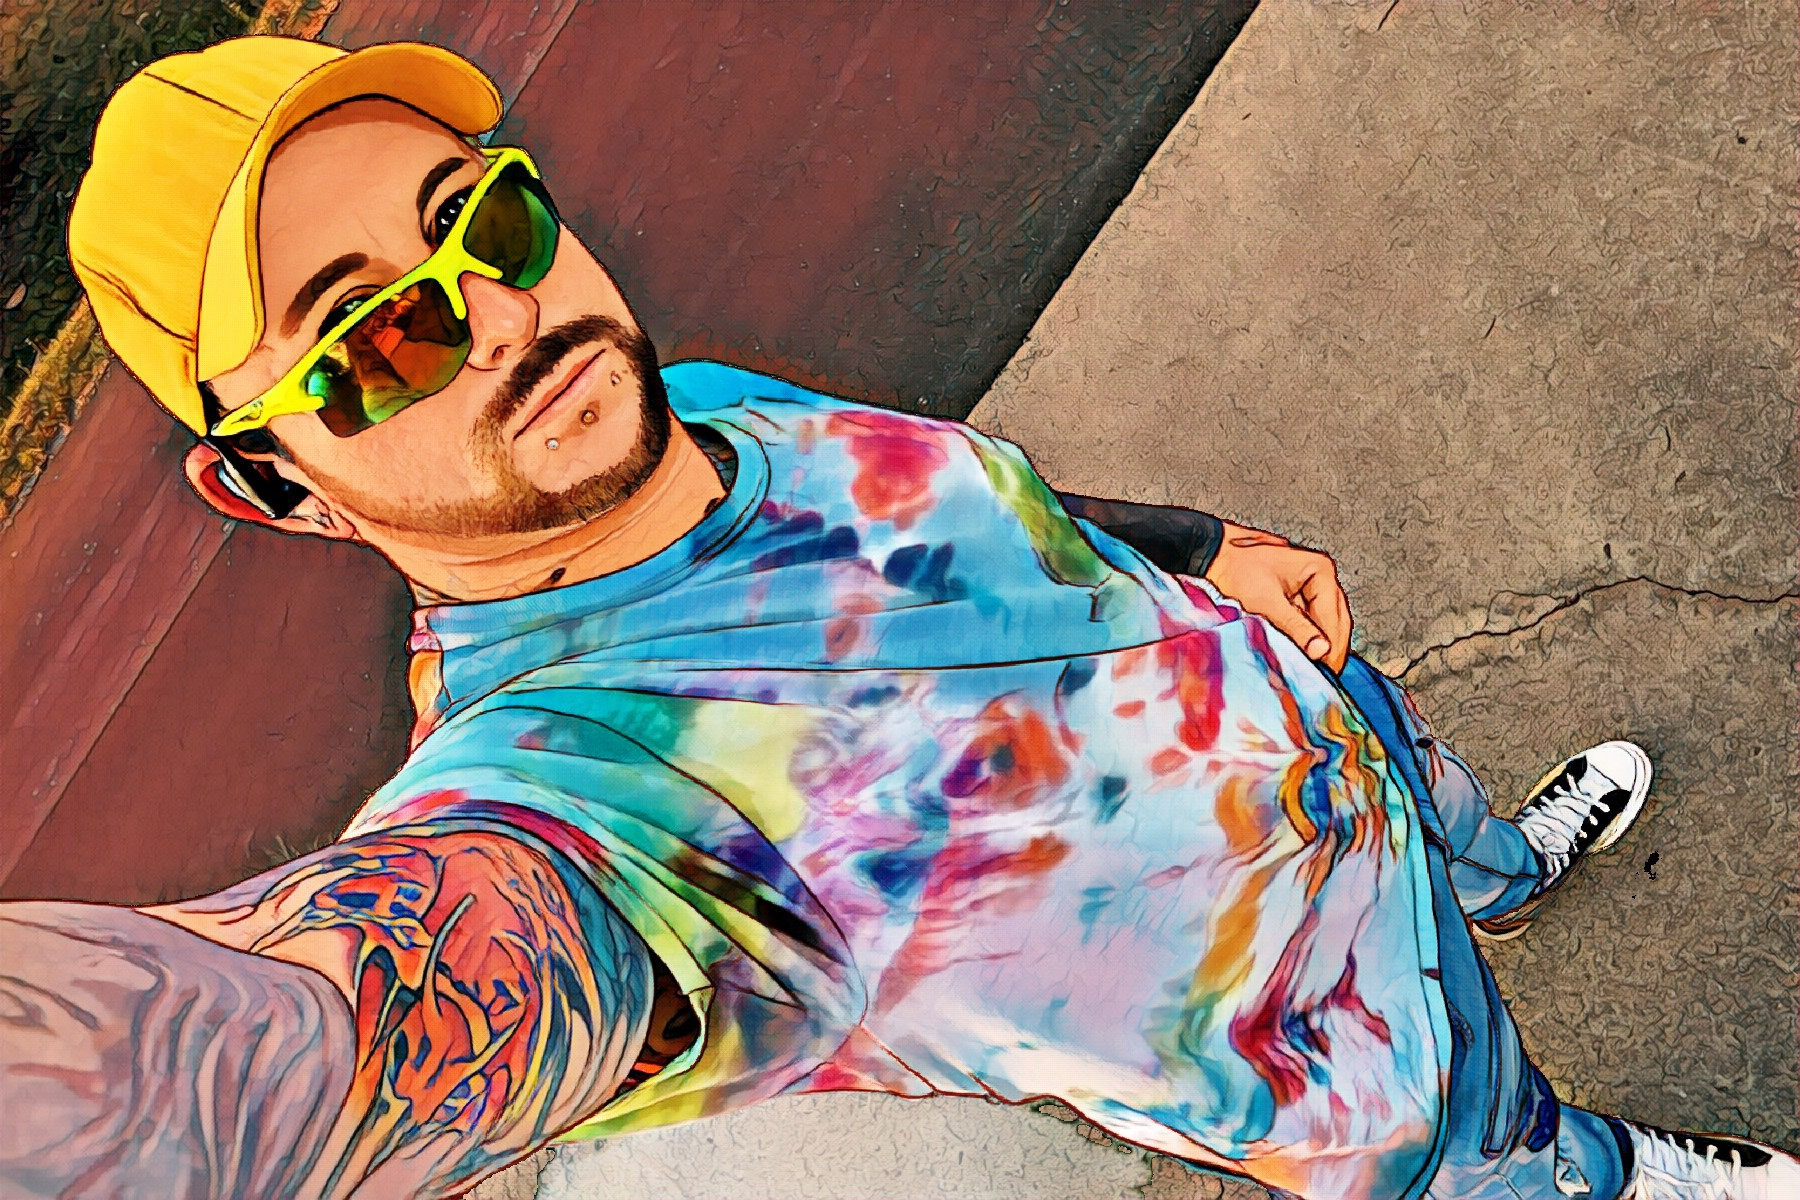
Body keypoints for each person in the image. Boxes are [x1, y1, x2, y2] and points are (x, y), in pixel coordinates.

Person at [1, 35, 1790, 1200]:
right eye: (373, 336)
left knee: (1456, 835)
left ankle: (1504, 870)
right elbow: (318, 1027)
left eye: (489, 223)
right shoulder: (588, 783)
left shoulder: (688, 405)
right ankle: (1624, 1175)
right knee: (1518, 1164)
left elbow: (963, 514)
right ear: (279, 487)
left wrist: (1194, 549)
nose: (498, 319)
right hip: (1334, 1051)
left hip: (1330, 724)